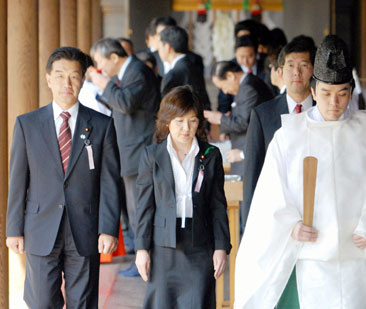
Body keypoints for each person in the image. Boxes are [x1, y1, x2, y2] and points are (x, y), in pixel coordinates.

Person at [234, 35, 366, 309]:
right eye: (327, 93)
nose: (334, 102)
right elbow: (270, 197)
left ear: (351, 92)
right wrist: (290, 225)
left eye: (342, 93)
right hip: (308, 256)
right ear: (313, 91)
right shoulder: (289, 137)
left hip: (356, 257)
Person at [6, 47, 122, 308]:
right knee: (42, 301)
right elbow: (18, 180)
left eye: (73, 76)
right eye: (59, 76)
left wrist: (108, 227)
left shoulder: (102, 125)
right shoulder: (28, 124)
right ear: (48, 79)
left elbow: (110, 181)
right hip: (40, 227)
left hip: (86, 228)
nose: (66, 83)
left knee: (82, 301)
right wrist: (14, 228)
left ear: (83, 79)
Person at [135, 85, 232, 308]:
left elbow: (217, 205)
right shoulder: (152, 155)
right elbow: (144, 205)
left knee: (198, 301)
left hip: (200, 245)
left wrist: (220, 247)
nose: (186, 128)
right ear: (167, 121)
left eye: (192, 121)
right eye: (179, 121)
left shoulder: (210, 155)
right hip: (163, 247)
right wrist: (142, 249)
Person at [88, 38, 161, 276]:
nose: (100, 69)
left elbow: (125, 103)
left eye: (100, 62)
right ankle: (142, 259)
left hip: (139, 151)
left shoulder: (138, 71)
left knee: (139, 208)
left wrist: (103, 83)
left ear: (113, 57)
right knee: (134, 208)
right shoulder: (129, 72)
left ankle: (146, 260)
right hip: (131, 150)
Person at [243, 37, 317, 225]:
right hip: (275, 214)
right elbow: (253, 171)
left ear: (313, 70)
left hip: (318, 211)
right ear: (280, 71)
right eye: (290, 66)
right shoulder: (262, 115)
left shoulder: (325, 111)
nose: (296, 72)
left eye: (303, 65)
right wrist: (250, 224)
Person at [205, 61, 274, 176]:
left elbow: (243, 122)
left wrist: (220, 119)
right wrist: (226, 126)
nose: (225, 91)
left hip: (248, 154)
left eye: (222, 86)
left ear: (230, 76)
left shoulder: (248, 88)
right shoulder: (246, 85)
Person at [158, 25, 211, 110]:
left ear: (168, 47)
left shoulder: (173, 74)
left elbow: (167, 109)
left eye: (160, 47)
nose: (158, 51)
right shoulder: (193, 64)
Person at [218, 35, 268, 114]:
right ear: (235, 54)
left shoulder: (266, 65)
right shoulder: (229, 69)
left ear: (256, 53)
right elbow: (224, 101)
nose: (245, 61)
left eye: (250, 56)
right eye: (241, 56)